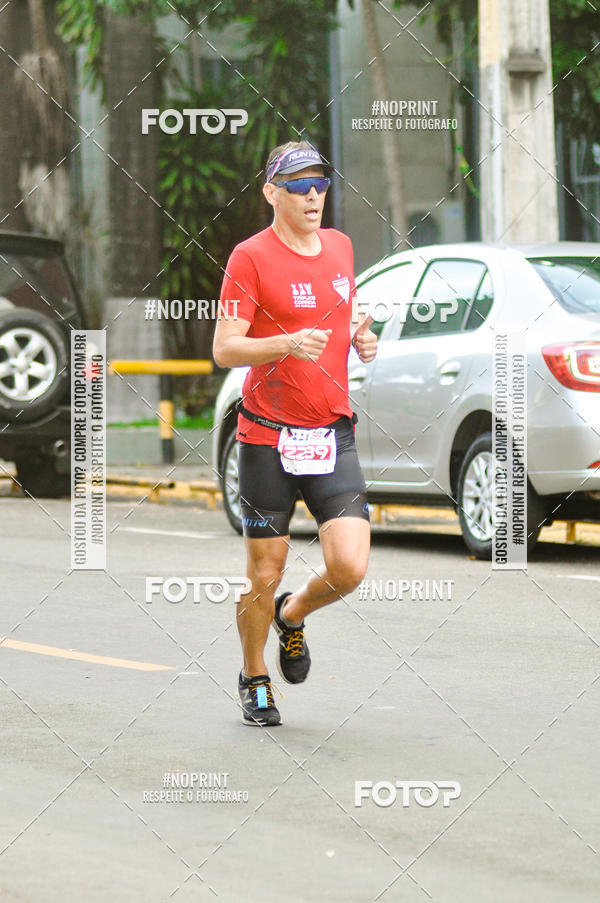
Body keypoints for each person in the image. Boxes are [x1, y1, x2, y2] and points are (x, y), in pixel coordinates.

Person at [213, 140, 377, 726]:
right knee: (263, 573)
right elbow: (225, 346)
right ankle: (255, 674)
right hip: (267, 437)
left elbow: (342, 314)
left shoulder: (341, 247)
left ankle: (293, 615)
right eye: (299, 185)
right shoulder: (249, 257)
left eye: (320, 183)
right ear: (271, 193)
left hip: (331, 432)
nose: (313, 195)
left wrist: (360, 334)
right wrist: (284, 342)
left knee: (350, 567)